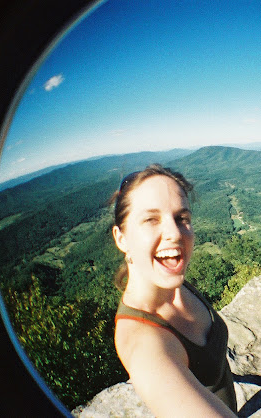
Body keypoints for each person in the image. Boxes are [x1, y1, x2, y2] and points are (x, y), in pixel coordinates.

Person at [111, 164, 237, 417]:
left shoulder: (173, 282)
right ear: (121, 238)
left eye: (182, 218)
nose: (174, 233)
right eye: (151, 219)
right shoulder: (144, 343)